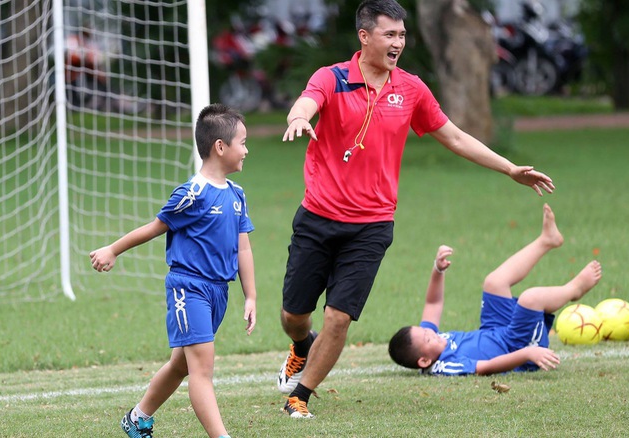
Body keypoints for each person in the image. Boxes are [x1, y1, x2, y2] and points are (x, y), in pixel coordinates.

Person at [276, 0, 555, 418]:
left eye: (403, 35)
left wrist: (509, 168)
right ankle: (301, 345)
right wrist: (298, 118)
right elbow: (307, 101)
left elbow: (455, 138)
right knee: (294, 315)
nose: (398, 43)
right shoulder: (331, 78)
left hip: (372, 225)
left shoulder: (410, 89)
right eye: (390, 34)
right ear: (364, 36)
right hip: (318, 217)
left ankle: (299, 396)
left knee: (339, 317)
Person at [89, 103, 256, 438]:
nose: (247, 150)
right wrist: (112, 249)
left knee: (182, 363)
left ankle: (138, 418)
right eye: (242, 142)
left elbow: (243, 248)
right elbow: (155, 227)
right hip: (188, 289)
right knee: (201, 369)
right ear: (219, 147)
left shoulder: (237, 195)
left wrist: (250, 295)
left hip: (217, 292)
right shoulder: (193, 194)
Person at [388, 204, 603, 376]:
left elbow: (432, 304)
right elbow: (486, 367)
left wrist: (437, 270)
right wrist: (527, 352)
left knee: (494, 282)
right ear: (424, 361)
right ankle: (574, 289)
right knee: (530, 298)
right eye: (427, 339)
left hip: (494, 329)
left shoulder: (432, 340)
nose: (431, 334)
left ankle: (547, 240)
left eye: (426, 331)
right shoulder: (446, 365)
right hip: (516, 346)